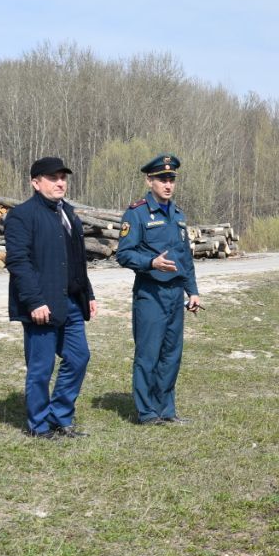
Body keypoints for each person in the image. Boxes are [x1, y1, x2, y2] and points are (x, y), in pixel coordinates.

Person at [4, 156, 97, 439]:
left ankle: (60, 416)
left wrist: (88, 294)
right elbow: (18, 262)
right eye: (53, 178)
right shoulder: (22, 215)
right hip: (41, 305)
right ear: (35, 182)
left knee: (79, 357)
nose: (60, 183)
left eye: (63, 177)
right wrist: (34, 302)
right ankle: (40, 427)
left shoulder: (69, 213)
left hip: (70, 302)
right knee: (41, 369)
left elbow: (77, 261)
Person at [116, 154, 202, 425]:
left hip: (175, 294)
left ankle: (167, 409)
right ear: (149, 180)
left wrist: (193, 291)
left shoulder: (178, 215)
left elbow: (185, 259)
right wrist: (150, 262)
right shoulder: (137, 213)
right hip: (150, 293)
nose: (168, 185)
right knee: (148, 353)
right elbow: (124, 254)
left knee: (170, 354)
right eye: (162, 179)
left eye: (171, 179)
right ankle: (146, 412)